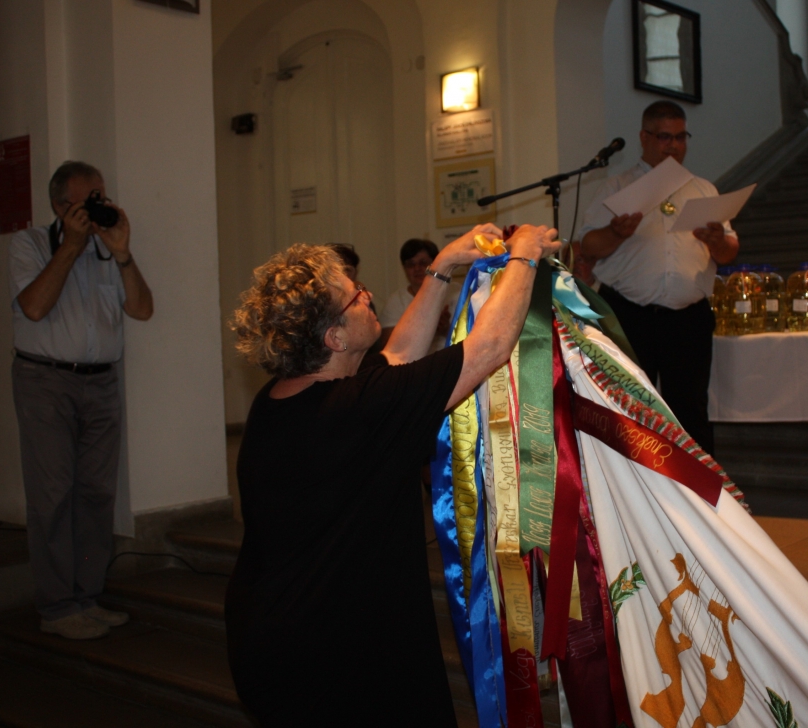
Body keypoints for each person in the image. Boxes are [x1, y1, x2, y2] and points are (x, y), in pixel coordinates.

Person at [224, 223, 560, 726]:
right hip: (330, 657)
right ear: (334, 337)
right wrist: (525, 256)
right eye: (354, 296)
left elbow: (398, 355)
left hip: (278, 631)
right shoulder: (358, 409)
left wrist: (442, 267)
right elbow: (488, 348)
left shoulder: (285, 397)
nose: (368, 296)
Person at [9, 161, 154, 639]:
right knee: (52, 495)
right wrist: (70, 247)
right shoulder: (30, 244)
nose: (98, 207)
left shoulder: (107, 249)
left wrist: (123, 254)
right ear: (59, 206)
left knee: (96, 494)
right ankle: (56, 608)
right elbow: (34, 307)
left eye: (101, 197)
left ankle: (87, 597)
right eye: (87, 200)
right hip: (45, 382)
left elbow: (142, 309)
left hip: (102, 383)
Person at [579, 100, 738, 455]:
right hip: (629, 315)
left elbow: (728, 251)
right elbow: (588, 245)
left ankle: (699, 490)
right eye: (665, 137)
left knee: (691, 412)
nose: (674, 146)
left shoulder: (703, 189)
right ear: (644, 137)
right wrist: (616, 232)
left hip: (688, 318)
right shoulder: (617, 187)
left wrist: (717, 242)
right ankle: (633, 490)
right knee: (629, 411)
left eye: (681, 137)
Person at [378, 238, 453, 350]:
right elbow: (387, 346)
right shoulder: (395, 302)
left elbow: (472, 336)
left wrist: (446, 330)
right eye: (410, 264)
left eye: (423, 263)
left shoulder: (457, 292)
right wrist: (429, 326)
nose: (417, 268)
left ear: (435, 263)